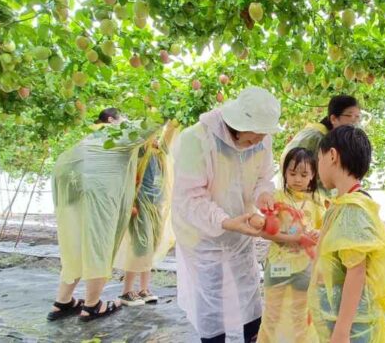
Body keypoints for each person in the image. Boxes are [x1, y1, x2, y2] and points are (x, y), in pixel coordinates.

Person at [171, 87, 280, 343]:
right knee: (211, 298)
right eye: (256, 134)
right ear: (238, 124)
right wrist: (225, 221)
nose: (261, 139)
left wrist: (264, 196)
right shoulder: (197, 140)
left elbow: (263, 177)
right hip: (204, 236)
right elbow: (192, 196)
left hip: (240, 232)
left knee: (248, 293)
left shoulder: (261, 139)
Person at [48, 108, 159, 322]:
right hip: (96, 185)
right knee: (99, 241)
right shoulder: (116, 133)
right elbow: (152, 123)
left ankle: (62, 301)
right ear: (111, 120)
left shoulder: (92, 136)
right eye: (125, 117)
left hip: (68, 177)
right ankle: (92, 306)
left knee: (76, 243)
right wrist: (170, 111)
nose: (128, 121)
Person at [308, 125, 385, 343]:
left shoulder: (352, 208)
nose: (318, 168)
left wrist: (342, 330)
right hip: (337, 317)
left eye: (318, 159)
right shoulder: (344, 203)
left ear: (332, 156)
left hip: (351, 327)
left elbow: (356, 272)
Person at [256, 147, 324, 343]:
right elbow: (266, 232)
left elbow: (324, 230)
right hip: (278, 265)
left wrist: (318, 233)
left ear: (313, 175)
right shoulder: (276, 198)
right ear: (284, 172)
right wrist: (295, 239)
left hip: (305, 268)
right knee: (272, 314)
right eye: (292, 173)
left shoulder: (318, 202)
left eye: (304, 174)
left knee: (301, 315)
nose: (297, 179)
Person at [114, 120, 179, 306]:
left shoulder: (160, 152)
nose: (155, 137)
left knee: (150, 247)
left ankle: (144, 289)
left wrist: (172, 119)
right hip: (141, 205)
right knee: (141, 247)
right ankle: (126, 291)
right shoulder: (141, 151)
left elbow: (169, 131)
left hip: (156, 206)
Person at [282, 95, 362, 195]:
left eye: (358, 116)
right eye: (350, 116)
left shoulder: (334, 140)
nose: (355, 121)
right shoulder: (316, 138)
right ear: (333, 119)